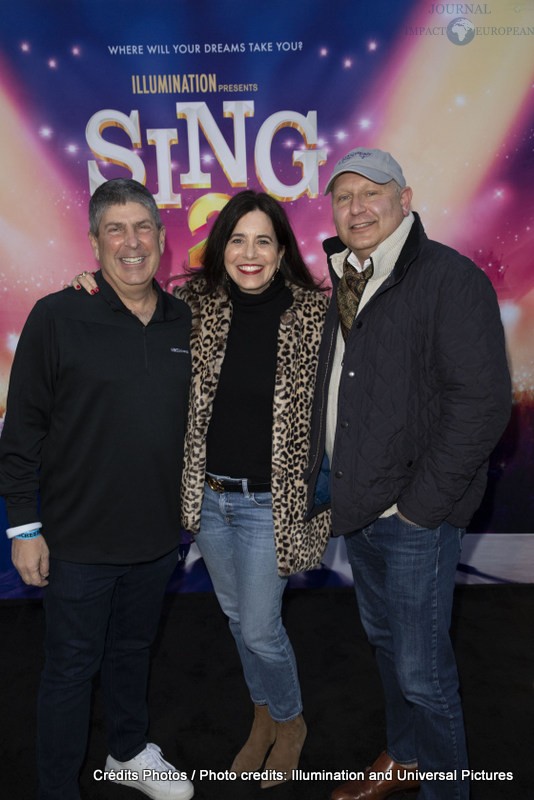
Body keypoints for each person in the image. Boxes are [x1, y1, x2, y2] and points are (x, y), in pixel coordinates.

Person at [70, 190, 332, 789]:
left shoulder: (315, 316)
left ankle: (290, 723)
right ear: (220, 248)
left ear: (282, 249)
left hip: (273, 503)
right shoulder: (195, 305)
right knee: (238, 618)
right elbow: (130, 300)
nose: (249, 252)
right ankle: (261, 716)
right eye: (237, 239)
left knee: (262, 626)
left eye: (263, 240)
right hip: (211, 500)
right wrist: (90, 283)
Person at [305, 148, 512, 800]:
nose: (357, 207)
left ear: (405, 198)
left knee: (424, 675)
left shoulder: (450, 279)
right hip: (359, 510)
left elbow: (481, 406)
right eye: (345, 197)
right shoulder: (342, 280)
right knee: (389, 650)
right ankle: (404, 759)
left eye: (373, 192)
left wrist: (421, 508)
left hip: (413, 518)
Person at [0, 179, 194, 800]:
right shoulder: (58, 315)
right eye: (116, 229)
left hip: (158, 537)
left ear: (163, 240)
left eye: (144, 228)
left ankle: (128, 752)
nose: (132, 242)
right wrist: (24, 527)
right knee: (69, 670)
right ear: (94, 241)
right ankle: (58, 789)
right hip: (76, 540)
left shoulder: (185, 319)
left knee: (134, 650)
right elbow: (22, 428)